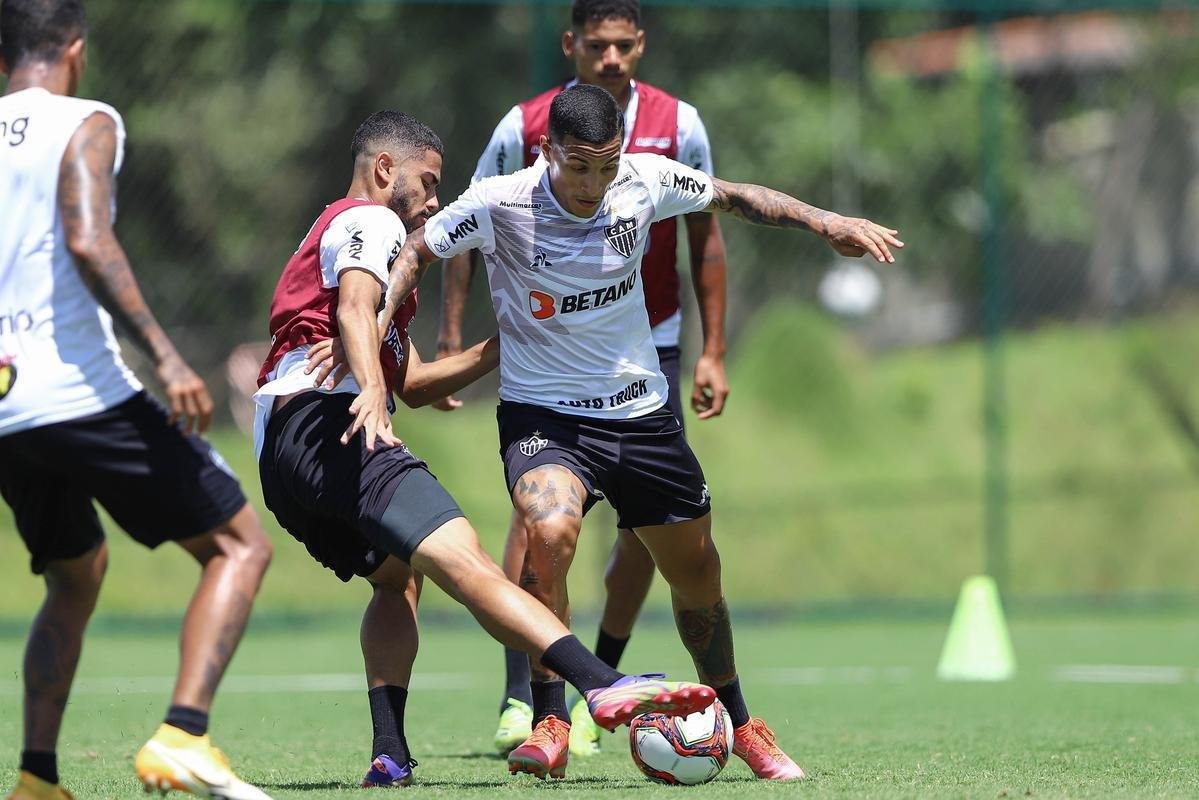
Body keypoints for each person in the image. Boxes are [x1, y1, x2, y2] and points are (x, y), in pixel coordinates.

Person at [379, 84, 903, 782]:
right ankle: (551, 716)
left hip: (639, 414)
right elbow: (416, 250)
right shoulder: (498, 200)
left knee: (696, 572)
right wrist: (373, 328)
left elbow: (734, 196)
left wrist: (824, 221)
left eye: (606, 165)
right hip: (545, 414)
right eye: (579, 167)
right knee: (548, 527)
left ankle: (740, 722)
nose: (595, 183)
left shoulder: (644, 180)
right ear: (548, 152)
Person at [252, 109, 716, 786]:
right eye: (428, 180)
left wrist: (509, 345)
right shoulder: (371, 221)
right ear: (386, 170)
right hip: (334, 427)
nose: (436, 198)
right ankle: (602, 683)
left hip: (282, 454)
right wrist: (371, 400)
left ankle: (390, 753)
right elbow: (357, 314)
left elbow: (407, 382)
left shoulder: (341, 239)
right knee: (464, 559)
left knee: (395, 578)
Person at [437, 0, 733, 758]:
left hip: (646, 351)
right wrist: (448, 343)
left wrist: (711, 349)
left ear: (640, 46)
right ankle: (528, 698)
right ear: (570, 45)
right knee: (541, 523)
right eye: (595, 45)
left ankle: (603, 671)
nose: (609, 57)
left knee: (647, 539)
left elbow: (708, 230)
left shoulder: (676, 127)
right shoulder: (522, 126)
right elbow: (466, 229)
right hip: (545, 362)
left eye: (622, 45)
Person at [0, 1, 275, 798]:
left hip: (7, 406)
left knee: (75, 574)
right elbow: (88, 238)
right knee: (238, 545)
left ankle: (37, 779)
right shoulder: (87, 117)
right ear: (75, 50)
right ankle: (184, 735)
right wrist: (164, 355)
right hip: (76, 390)